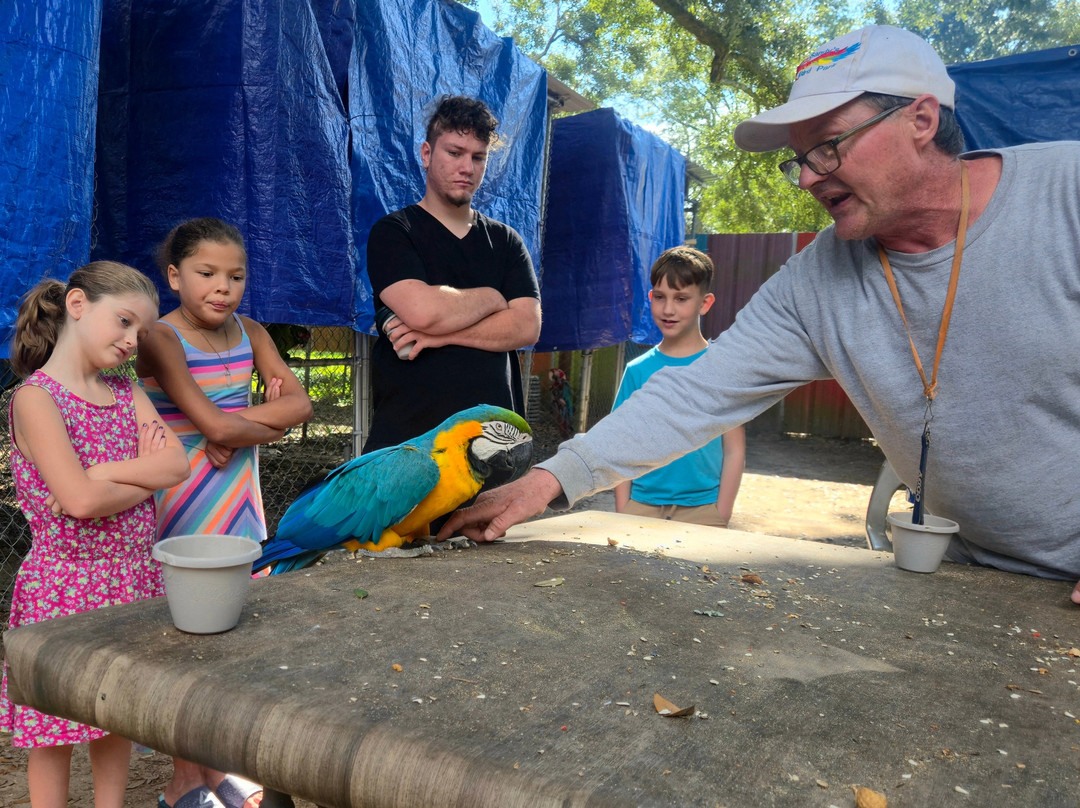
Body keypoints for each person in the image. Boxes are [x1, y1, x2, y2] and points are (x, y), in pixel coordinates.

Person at [440, 24, 1080, 604]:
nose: (807, 178)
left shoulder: (1065, 195)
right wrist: (549, 479)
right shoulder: (817, 279)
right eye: (799, 158)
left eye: (828, 146)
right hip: (969, 573)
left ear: (920, 119)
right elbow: (695, 394)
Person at [136, 217, 313, 808]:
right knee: (186, 642)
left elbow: (301, 406)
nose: (222, 287)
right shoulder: (161, 338)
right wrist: (254, 426)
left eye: (235, 276)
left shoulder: (252, 331)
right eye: (206, 273)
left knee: (231, 639)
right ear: (174, 276)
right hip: (179, 503)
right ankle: (186, 779)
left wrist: (236, 432)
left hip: (237, 500)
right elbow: (211, 423)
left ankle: (216, 770)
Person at [1, 262, 191, 808]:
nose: (132, 340)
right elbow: (81, 503)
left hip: (131, 579)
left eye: (141, 332)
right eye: (124, 322)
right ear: (78, 305)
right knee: (53, 730)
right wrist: (137, 478)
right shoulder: (36, 399)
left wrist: (102, 473)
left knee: (115, 718)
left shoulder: (125, 389)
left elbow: (176, 465)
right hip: (64, 587)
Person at [364, 94, 541, 452]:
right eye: (455, 152)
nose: (467, 167)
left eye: (478, 157)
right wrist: (494, 298)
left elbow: (526, 326)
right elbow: (424, 312)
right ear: (427, 154)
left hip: (493, 447)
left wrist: (439, 337)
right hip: (411, 449)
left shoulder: (506, 241)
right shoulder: (395, 232)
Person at [613, 246, 745, 527]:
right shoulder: (636, 371)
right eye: (660, 297)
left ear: (705, 303)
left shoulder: (723, 370)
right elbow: (621, 442)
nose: (668, 309)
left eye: (681, 298)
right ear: (651, 298)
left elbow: (734, 449)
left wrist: (721, 512)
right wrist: (624, 507)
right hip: (641, 508)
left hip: (704, 511)